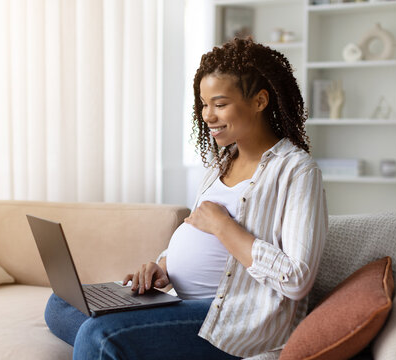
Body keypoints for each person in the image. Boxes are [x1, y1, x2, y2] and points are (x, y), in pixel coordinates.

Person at [44, 37, 328, 360]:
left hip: (230, 317)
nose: (207, 115)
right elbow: (196, 233)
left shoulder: (297, 171)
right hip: (180, 300)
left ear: (260, 101)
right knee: (61, 304)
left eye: (220, 104)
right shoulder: (222, 162)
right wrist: (163, 268)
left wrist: (224, 227)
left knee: (98, 334)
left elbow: (297, 278)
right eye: (204, 104)